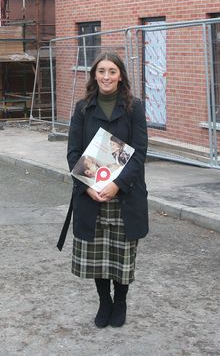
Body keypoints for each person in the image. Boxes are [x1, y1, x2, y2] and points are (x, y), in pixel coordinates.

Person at [59, 52, 149, 328]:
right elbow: (73, 152)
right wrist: (89, 187)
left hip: (124, 195)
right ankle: (104, 301)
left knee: (121, 254)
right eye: (101, 71)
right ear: (94, 75)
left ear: (120, 75)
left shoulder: (134, 107)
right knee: (98, 256)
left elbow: (139, 153)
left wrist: (115, 185)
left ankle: (119, 302)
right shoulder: (82, 108)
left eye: (112, 71)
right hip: (91, 194)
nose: (106, 76)